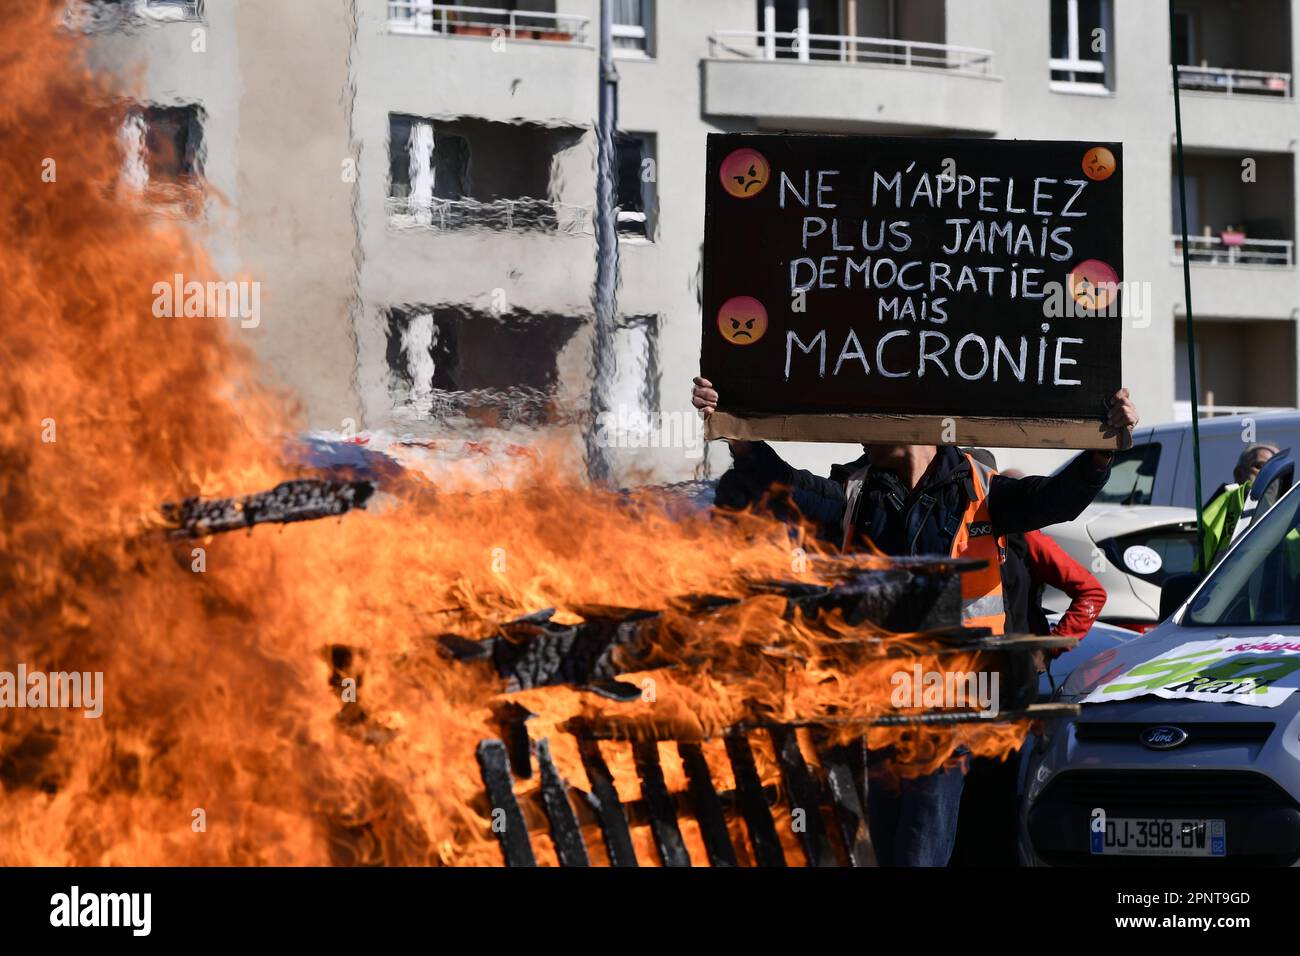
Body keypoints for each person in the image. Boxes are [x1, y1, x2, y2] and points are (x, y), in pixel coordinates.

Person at [691, 377, 1139, 866]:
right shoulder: (856, 493)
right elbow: (786, 485)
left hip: (951, 699)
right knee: (886, 842)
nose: (859, 435)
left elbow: (1056, 498)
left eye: (870, 421)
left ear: (912, 424)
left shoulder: (981, 488)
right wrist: (738, 434)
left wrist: (1101, 451)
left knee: (920, 845)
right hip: (879, 701)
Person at [1199, 443, 1280, 569]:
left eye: (1275, 469)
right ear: (1239, 474)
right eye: (1259, 466)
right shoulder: (1226, 504)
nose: (1269, 475)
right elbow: (1199, 566)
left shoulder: (1287, 514)